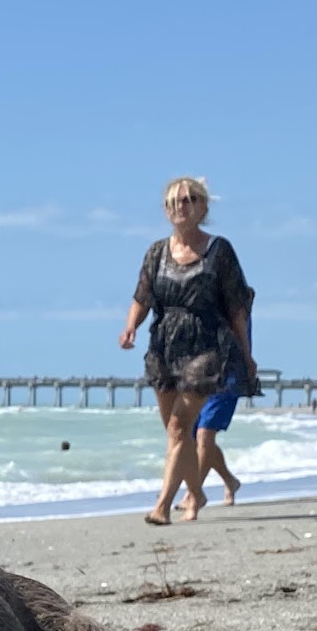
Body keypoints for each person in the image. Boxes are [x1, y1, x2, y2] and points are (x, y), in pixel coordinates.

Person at [119, 176, 257, 526]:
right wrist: (131, 326)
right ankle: (197, 494)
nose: (180, 207)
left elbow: (238, 306)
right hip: (164, 345)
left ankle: (162, 505)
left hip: (207, 345)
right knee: (177, 430)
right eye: (173, 202)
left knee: (180, 428)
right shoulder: (156, 251)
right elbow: (142, 296)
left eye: (189, 200)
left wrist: (246, 352)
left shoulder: (219, 251)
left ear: (203, 207)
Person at [184, 287, 259, 509]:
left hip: (230, 378)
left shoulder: (238, 309)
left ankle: (193, 494)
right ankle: (230, 480)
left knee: (204, 435)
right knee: (195, 437)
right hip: (203, 376)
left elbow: (247, 295)